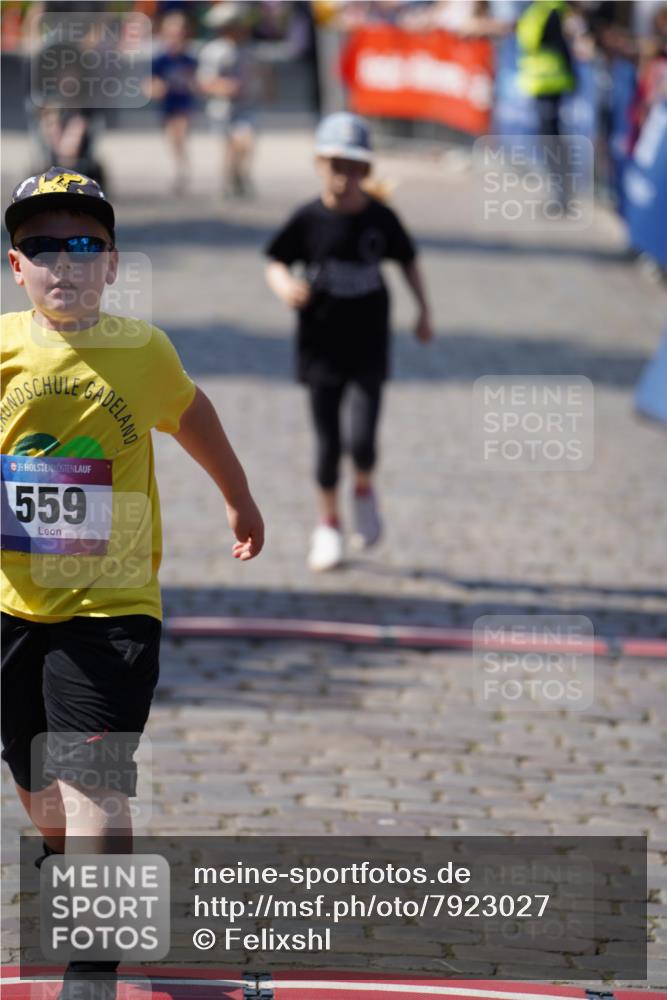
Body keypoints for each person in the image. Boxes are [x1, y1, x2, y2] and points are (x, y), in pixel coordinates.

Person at [1, 168, 264, 998]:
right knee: (37, 787)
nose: (64, 264)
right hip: (11, 605)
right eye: (44, 246)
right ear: (17, 266)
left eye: (85, 245)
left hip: (112, 607)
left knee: (91, 779)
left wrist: (239, 498)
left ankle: (93, 966)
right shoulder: (2, 348)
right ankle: (67, 857)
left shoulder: (142, 351)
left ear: (112, 264)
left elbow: (193, 416)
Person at [265, 113, 433, 573]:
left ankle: (363, 487)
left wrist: (423, 310)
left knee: (361, 440)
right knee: (327, 442)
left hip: (368, 343)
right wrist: (284, 286)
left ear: (367, 170)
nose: (345, 175)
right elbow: (276, 260)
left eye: (355, 166)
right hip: (319, 344)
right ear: (320, 163)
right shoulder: (308, 218)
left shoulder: (380, 219)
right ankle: (328, 526)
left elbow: (409, 261)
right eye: (337, 164)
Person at [197, 2, 258, 197]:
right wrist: (223, 87)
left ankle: (240, 175)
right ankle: (229, 179)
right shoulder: (214, 51)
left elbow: (258, 75)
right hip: (222, 107)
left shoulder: (248, 49)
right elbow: (204, 81)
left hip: (245, 105)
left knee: (246, 141)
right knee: (230, 146)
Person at [147, 10, 199, 194]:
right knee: (173, 137)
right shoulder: (161, 59)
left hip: (184, 101)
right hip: (168, 102)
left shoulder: (190, 58)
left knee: (180, 131)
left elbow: (198, 81)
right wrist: (155, 89)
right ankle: (180, 166)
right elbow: (149, 84)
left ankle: (182, 169)